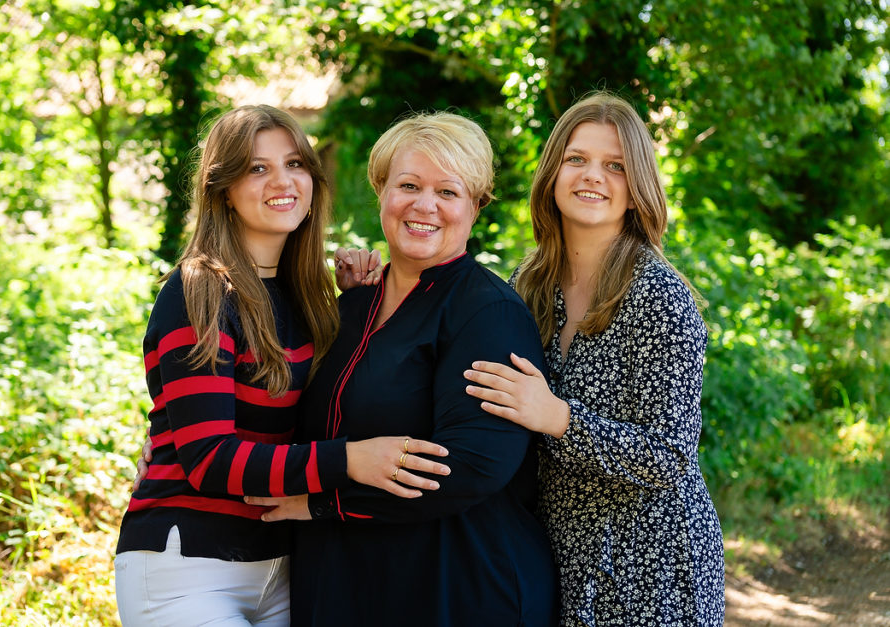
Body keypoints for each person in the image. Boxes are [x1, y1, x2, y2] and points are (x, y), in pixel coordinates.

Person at [113, 104, 450, 627]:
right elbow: (207, 459)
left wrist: (359, 303)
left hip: (285, 563)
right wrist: (351, 461)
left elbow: (329, 413)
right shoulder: (198, 289)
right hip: (188, 565)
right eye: (257, 167)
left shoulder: (311, 296)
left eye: (295, 164)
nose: (283, 180)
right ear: (223, 188)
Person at [247, 111, 558, 626]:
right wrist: (173, 439)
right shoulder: (351, 305)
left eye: (448, 192)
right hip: (349, 580)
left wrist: (325, 502)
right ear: (381, 192)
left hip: (454, 588)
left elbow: (474, 465)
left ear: (477, 206)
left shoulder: (487, 313)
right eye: (408, 185)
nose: (424, 205)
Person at [463, 91, 725, 626]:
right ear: (553, 173)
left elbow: (670, 457)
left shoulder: (658, 297)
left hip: (652, 566)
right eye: (577, 159)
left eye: (615, 166)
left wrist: (557, 417)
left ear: (637, 191)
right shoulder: (529, 283)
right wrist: (378, 294)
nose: (592, 176)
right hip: (558, 555)